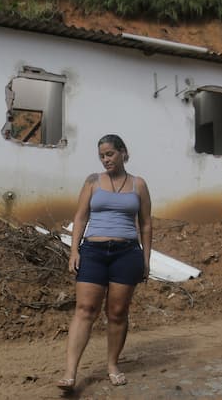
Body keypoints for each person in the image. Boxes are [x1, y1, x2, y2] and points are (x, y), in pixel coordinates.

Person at [57, 134, 152, 392]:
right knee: (85, 309)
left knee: (117, 313)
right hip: (94, 252)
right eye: (101, 155)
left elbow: (145, 223)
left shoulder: (139, 185)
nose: (105, 159)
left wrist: (146, 259)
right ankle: (70, 372)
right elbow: (80, 217)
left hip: (127, 253)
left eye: (110, 154)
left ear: (123, 152)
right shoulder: (92, 181)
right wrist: (74, 251)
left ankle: (112, 365)